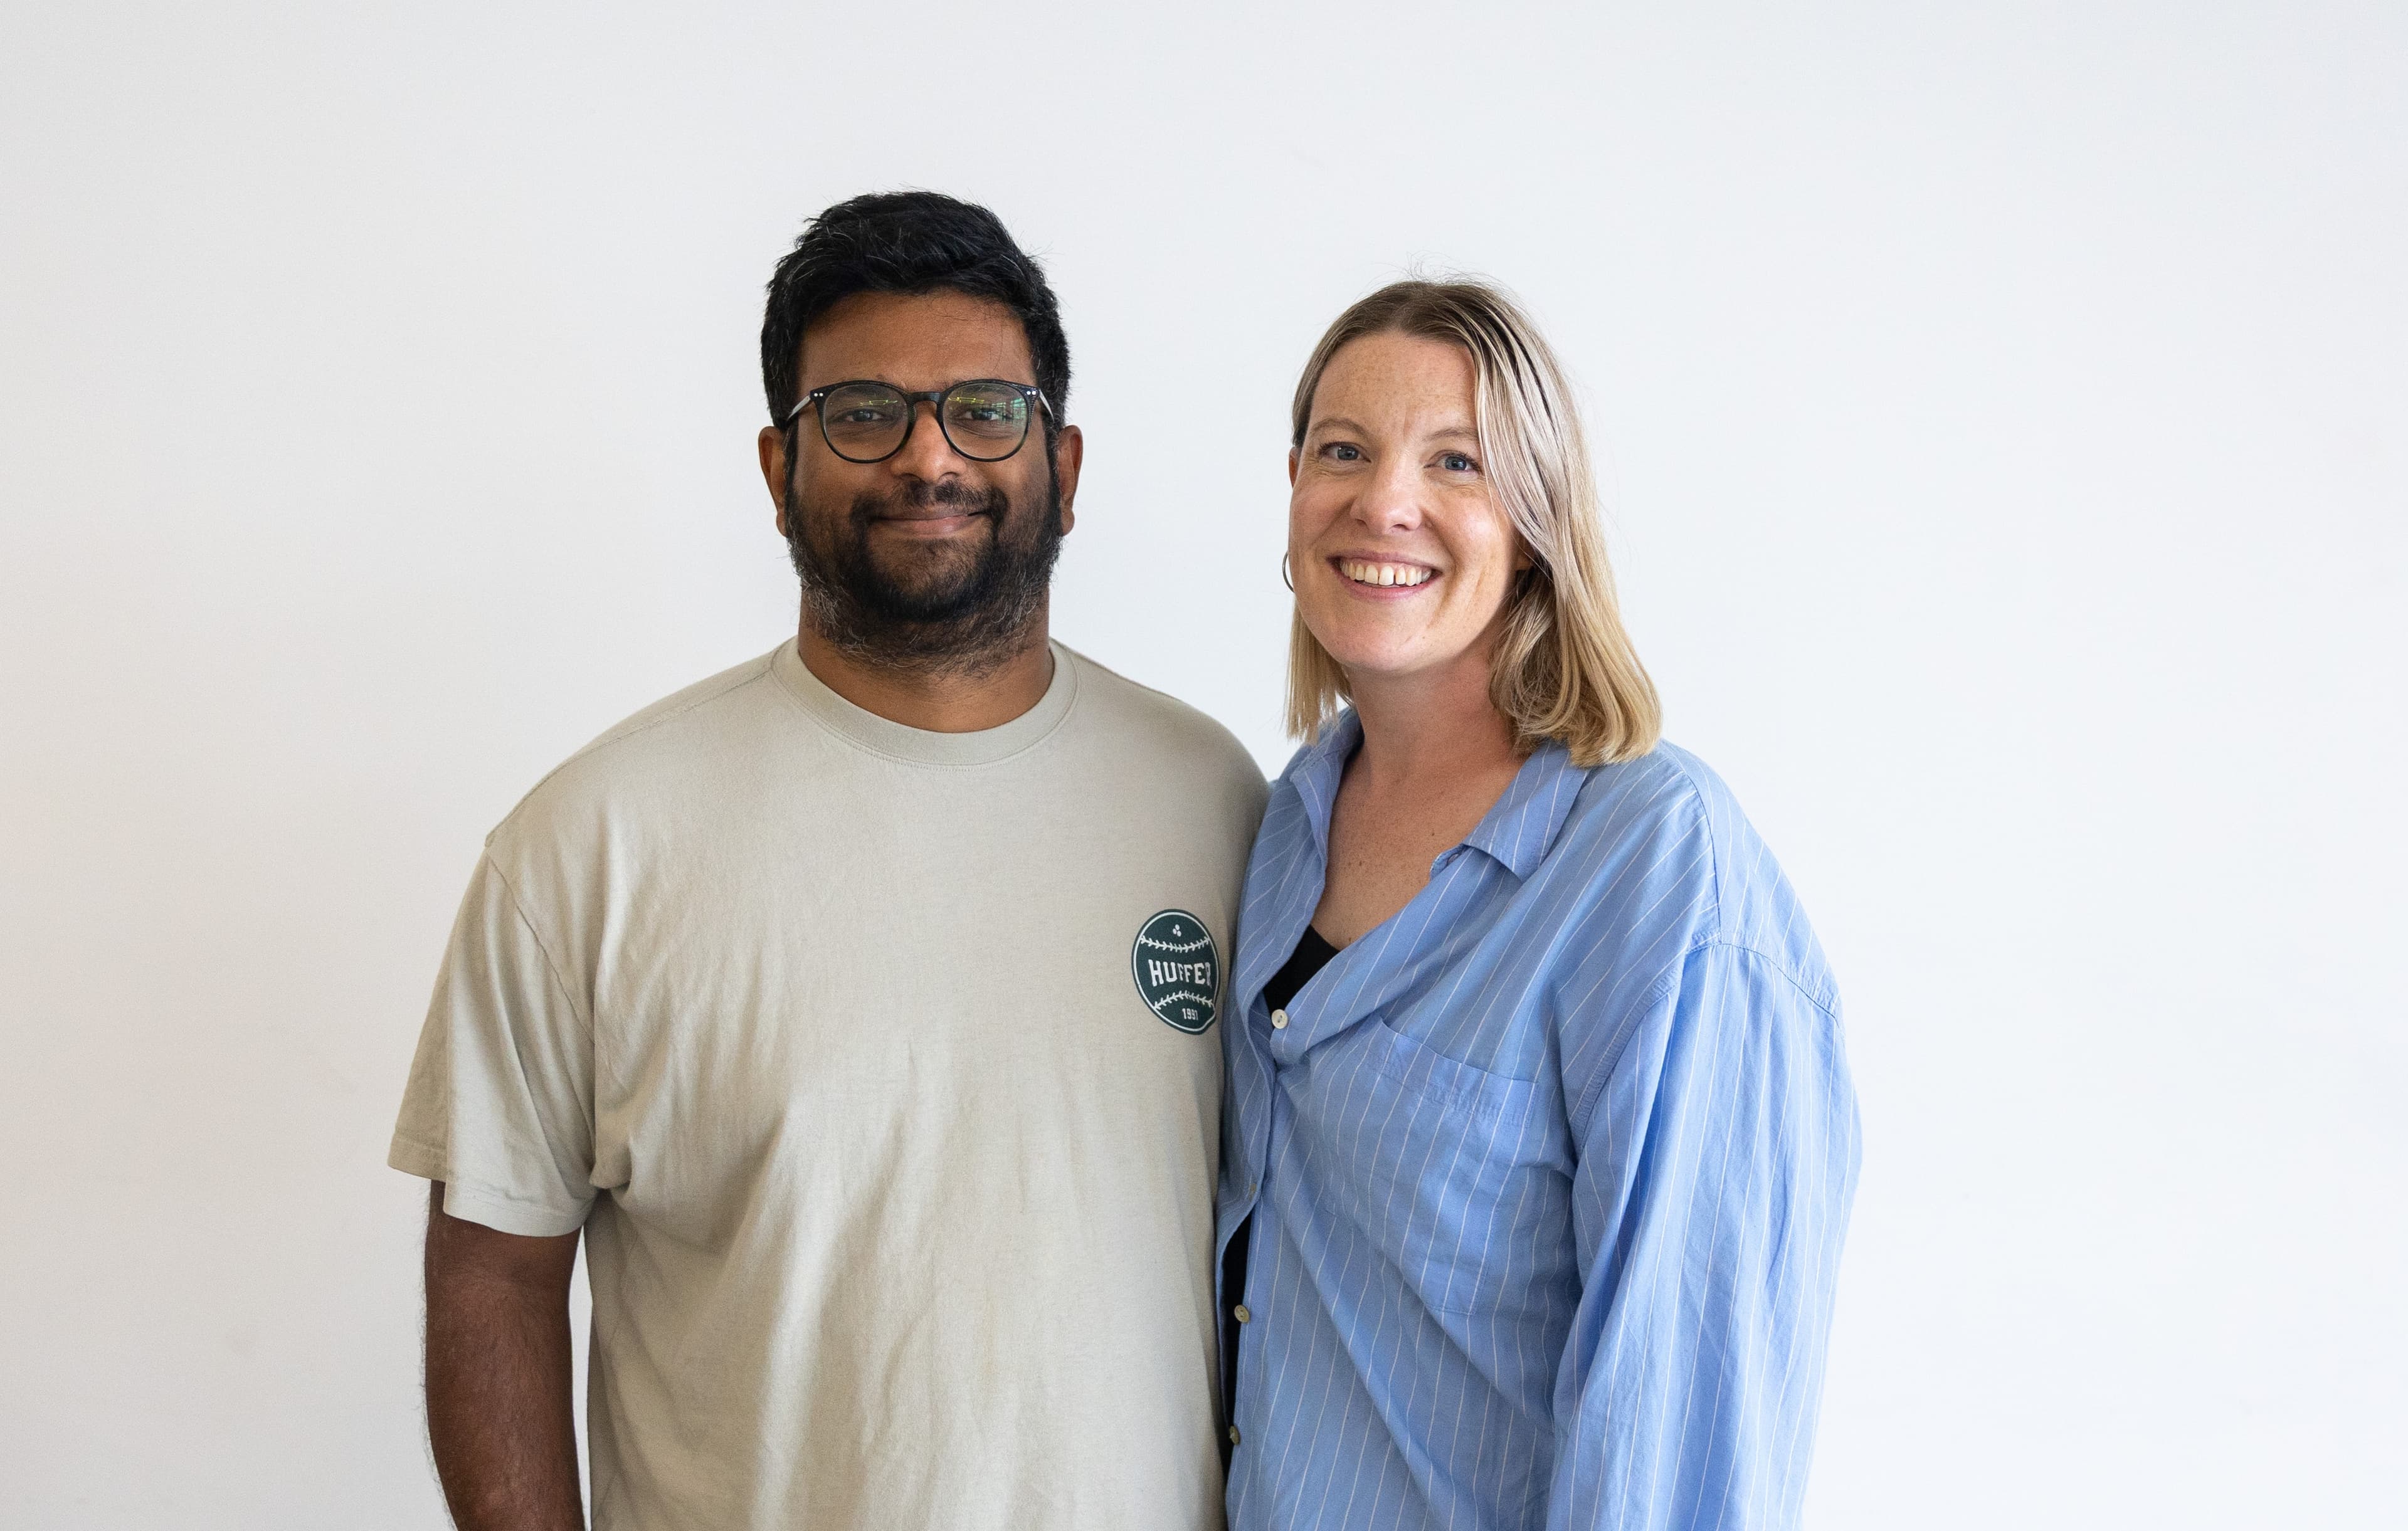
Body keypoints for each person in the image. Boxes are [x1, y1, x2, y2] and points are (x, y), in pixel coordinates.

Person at [389, 191, 1267, 1531]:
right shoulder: (591, 844)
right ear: (776, 464)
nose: (929, 458)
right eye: (863, 412)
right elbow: (492, 1274)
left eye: (984, 409)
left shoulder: (1214, 801)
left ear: (1065, 464)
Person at [1217, 280, 1860, 1531]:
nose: (1384, 499)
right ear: (1294, 488)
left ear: (1535, 522)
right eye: (1343, 450)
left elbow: (1688, 1435)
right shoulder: (1287, 820)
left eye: (1454, 459)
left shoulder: (1661, 878)